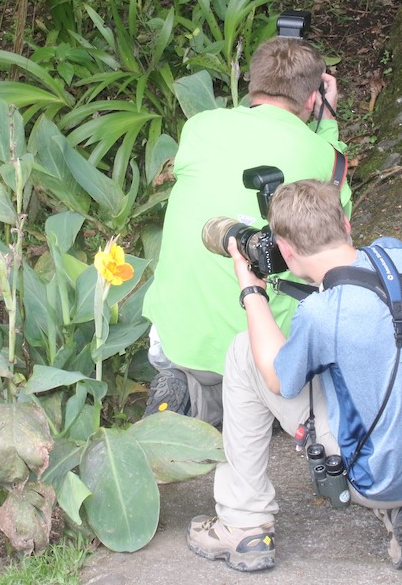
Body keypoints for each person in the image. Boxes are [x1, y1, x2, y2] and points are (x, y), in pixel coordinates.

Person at [187, 179, 402, 572]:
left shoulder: (323, 314)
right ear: (345, 223)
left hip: (376, 479)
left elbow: (278, 379)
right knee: (374, 370)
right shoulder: (400, 254)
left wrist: (252, 291)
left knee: (245, 352)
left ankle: (243, 525)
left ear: (286, 251)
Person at [143, 35, 351, 425]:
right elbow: (334, 235)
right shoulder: (321, 154)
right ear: (312, 99)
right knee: (328, 258)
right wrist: (328, 125)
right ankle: (252, 404)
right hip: (259, 352)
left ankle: (180, 384)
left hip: (176, 337)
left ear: (252, 84)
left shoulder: (200, 127)